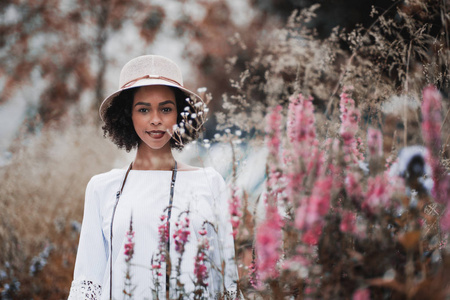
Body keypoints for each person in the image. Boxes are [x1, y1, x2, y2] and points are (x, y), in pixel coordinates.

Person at [68, 55, 238, 299]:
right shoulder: (102, 187)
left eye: (166, 109)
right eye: (144, 109)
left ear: (180, 114)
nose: (156, 119)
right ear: (128, 115)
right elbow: (88, 280)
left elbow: (226, 278)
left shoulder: (209, 183)